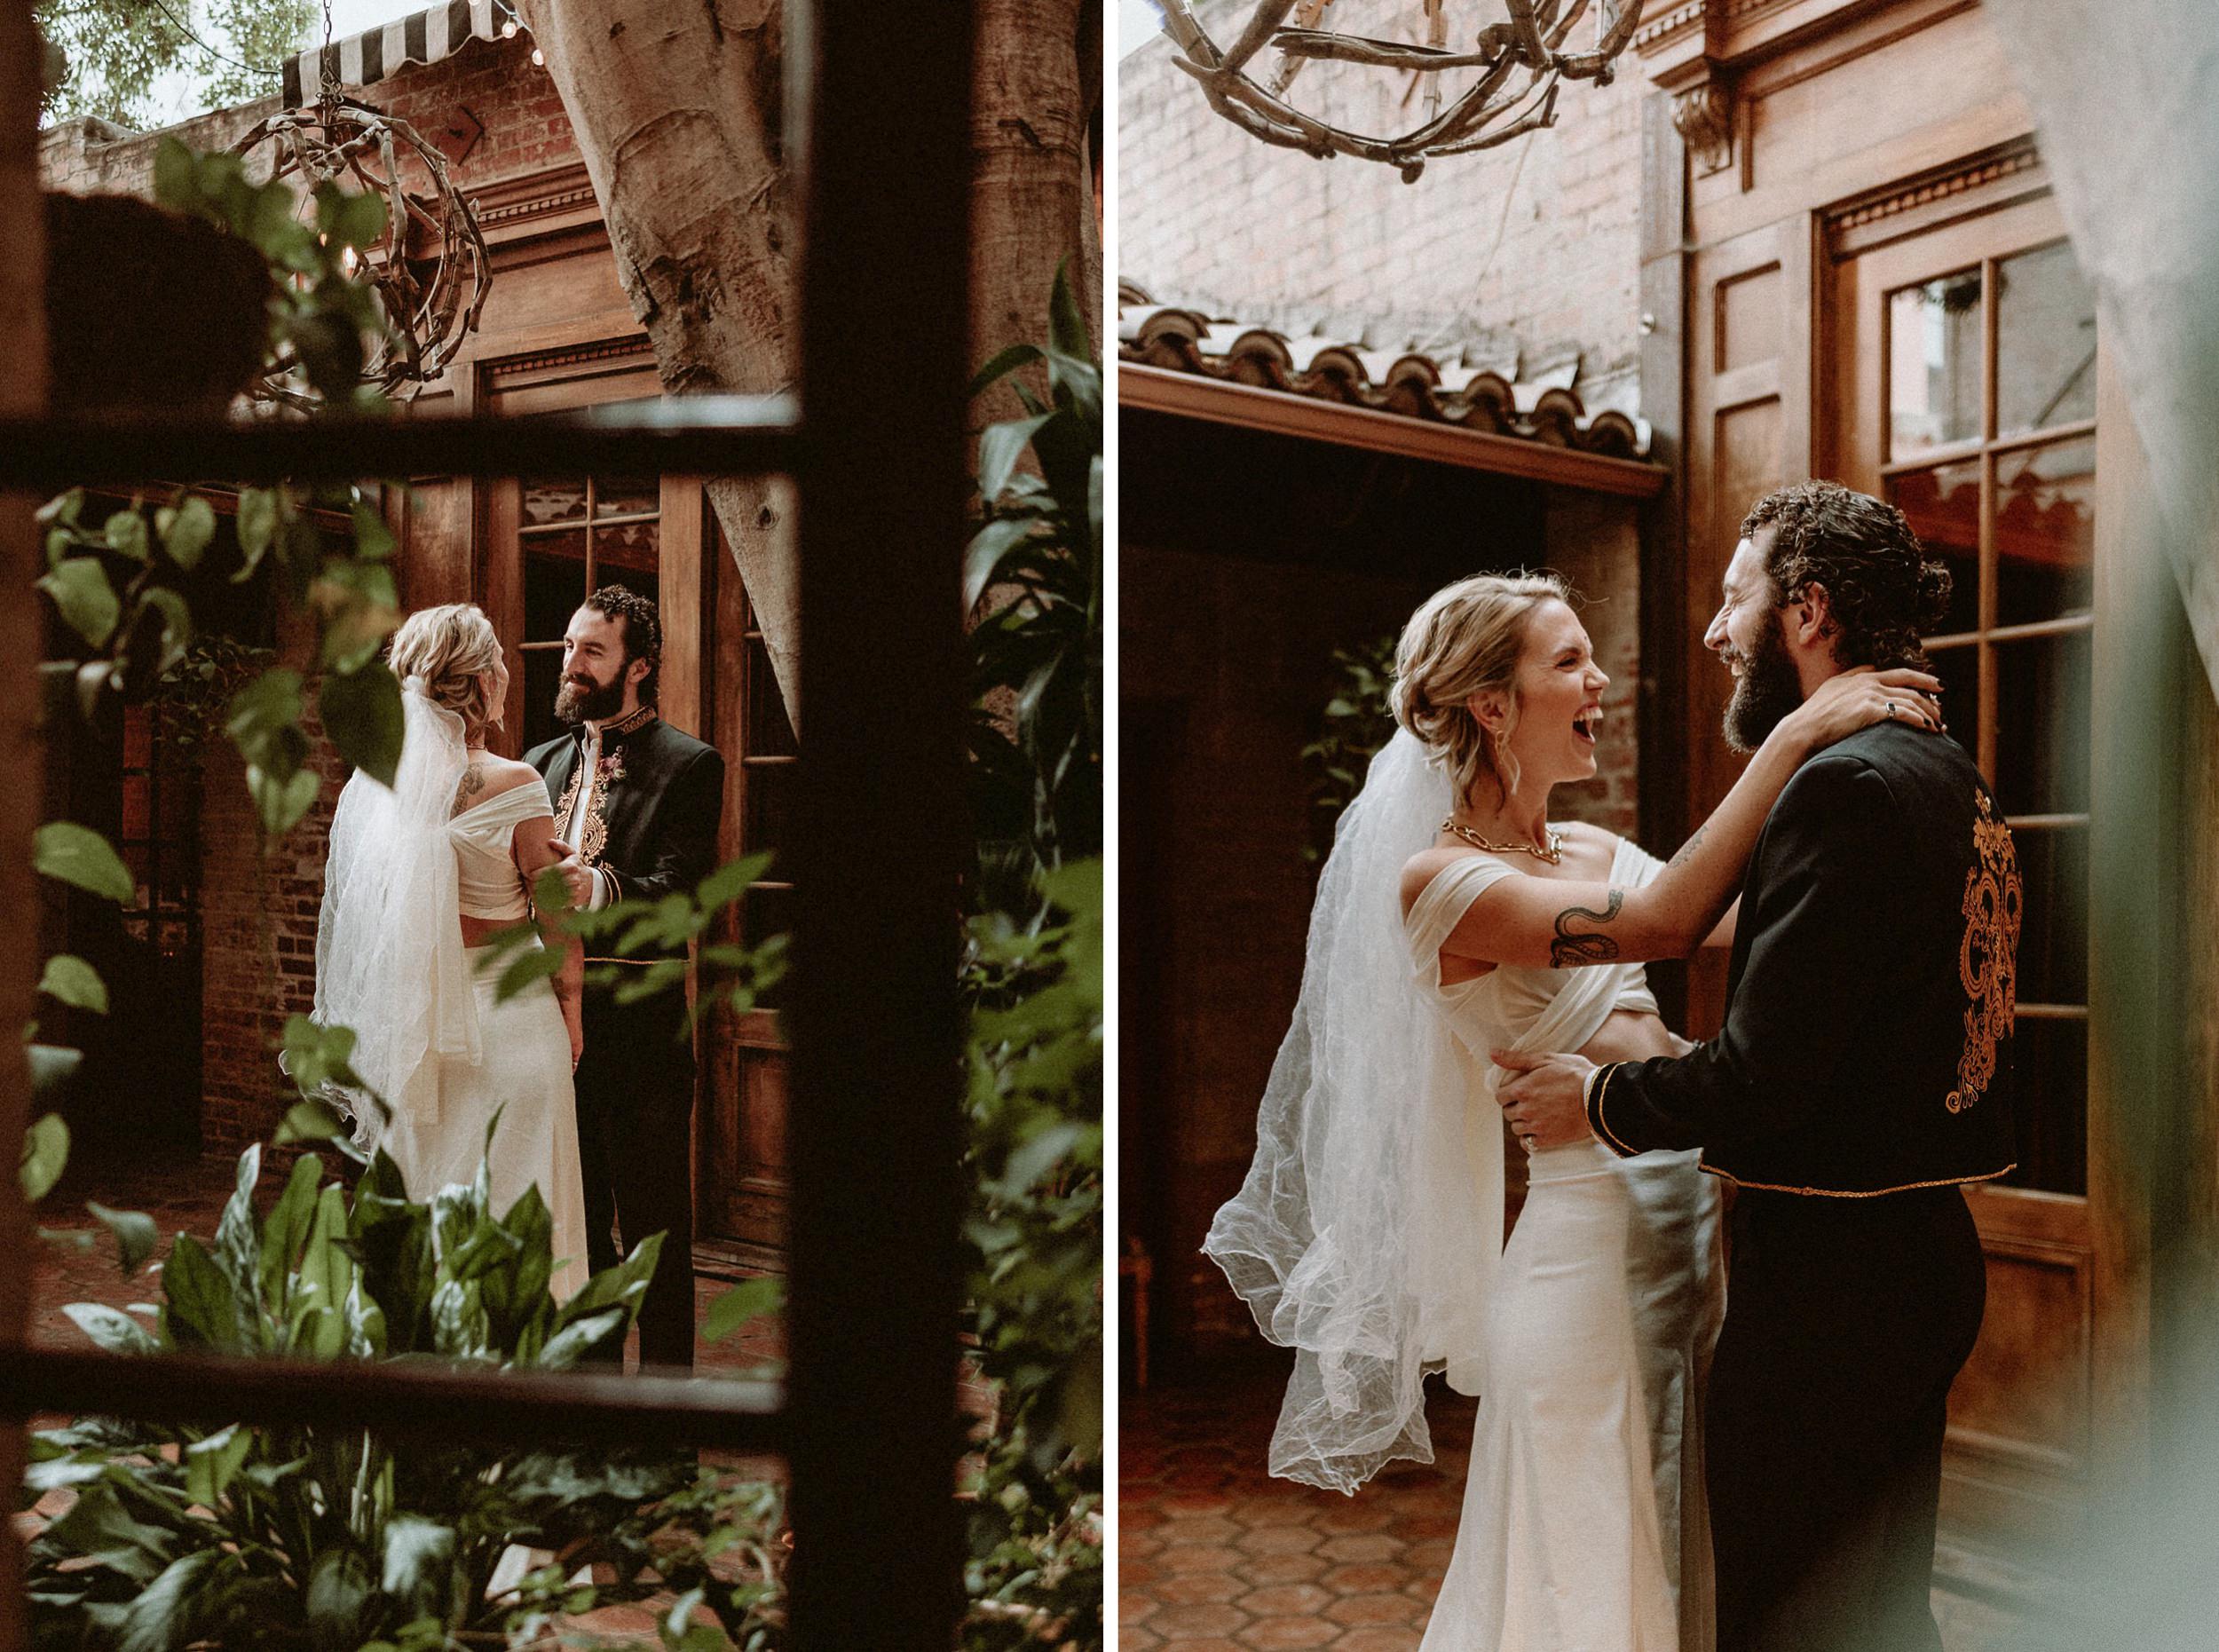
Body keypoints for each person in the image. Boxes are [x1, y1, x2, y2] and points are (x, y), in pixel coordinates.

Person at [1204, 565, 1943, 1651]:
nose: (1600, 678)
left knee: (1691, 1555)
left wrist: (1894, 822)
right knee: (1599, 1578)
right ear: (1491, 705)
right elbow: (1669, 922)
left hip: (1693, 1240)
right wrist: (1793, 735)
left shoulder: (1589, 848)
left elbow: (1770, 915)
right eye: (1568, 662)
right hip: (1584, 1264)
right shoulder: (1440, 883)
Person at [1496, 482, 2019, 1652]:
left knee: (1787, 1619)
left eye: (1736, 598)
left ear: (1807, 611)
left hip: (1829, 1289)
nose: (1715, 630)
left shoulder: (1845, 784)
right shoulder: (1949, 771)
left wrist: (1593, 1096)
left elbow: (1760, 1080)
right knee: (1883, 1612)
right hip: (1923, 1255)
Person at [313, 603, 591, 1303]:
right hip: (512, 1020)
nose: (505, 669)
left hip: (422, 1023)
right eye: (497, 659)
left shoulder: (379, 787)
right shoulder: (518, 782)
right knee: (524, 1193)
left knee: (435, 1185)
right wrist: (572, 1003)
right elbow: (553, 907)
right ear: (479, 682)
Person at [528, 585, 725, 1371]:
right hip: (551, 1041)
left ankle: (670, 1418)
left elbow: (684, 898)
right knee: (576, 1236)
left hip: (642, 1039)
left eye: (592, 651)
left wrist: (599, 888)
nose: (572, 662)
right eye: (570, 646)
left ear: (639, 667)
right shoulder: (539, 765)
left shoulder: (689, 764)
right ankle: (598, 1404)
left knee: (656, 1238)